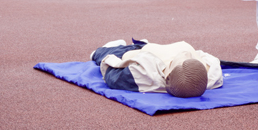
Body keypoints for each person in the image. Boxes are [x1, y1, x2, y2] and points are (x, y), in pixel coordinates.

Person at [90, 39, 223, 98]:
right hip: (156, 48)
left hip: (136, 53)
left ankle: (103, 50)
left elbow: (114, 77)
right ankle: (142, 43)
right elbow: (213, 64)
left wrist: (107, 60)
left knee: (107, 53)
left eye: (182, 58)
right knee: (144, 46)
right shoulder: (209, 73)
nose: (186, 54)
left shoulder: (148, 75)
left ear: (168, 73)